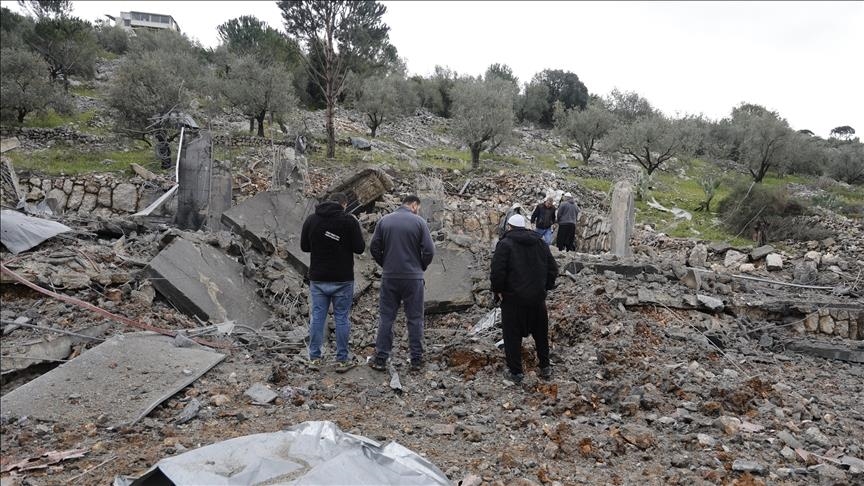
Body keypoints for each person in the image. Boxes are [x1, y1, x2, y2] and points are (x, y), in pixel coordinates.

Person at [369, 195, 435, 372]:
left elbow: (374, 247)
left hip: (390, 277)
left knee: (386, 317)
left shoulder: (384, 221)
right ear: (414, 205)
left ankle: (381, 358)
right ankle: (416, 360)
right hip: (413, 279)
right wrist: (420, 266)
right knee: (414, 318)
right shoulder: (419, 222)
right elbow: (429, 250)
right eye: (418, 208)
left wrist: (386, 264)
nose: (418, 211)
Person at [300, 192, 366, 372]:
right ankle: (342, 359)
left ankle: (314, 358)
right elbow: (360, 248)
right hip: (342, 279)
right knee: (341, 318)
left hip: (318, 278)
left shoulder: (312, 220)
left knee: (317, 317)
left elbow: (304, 247)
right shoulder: (349, 221)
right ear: (344, 204)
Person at [491, 214, 558, 384]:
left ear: (509, 227)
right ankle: (545, 366)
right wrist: (545, 287)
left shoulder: (504, 244)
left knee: (512, 336)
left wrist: (498, 291)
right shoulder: (540, 243)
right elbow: (553, 268)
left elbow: (498, 272)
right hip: (537, 299)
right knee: (541, 335)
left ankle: (516, 372)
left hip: (513, 300)